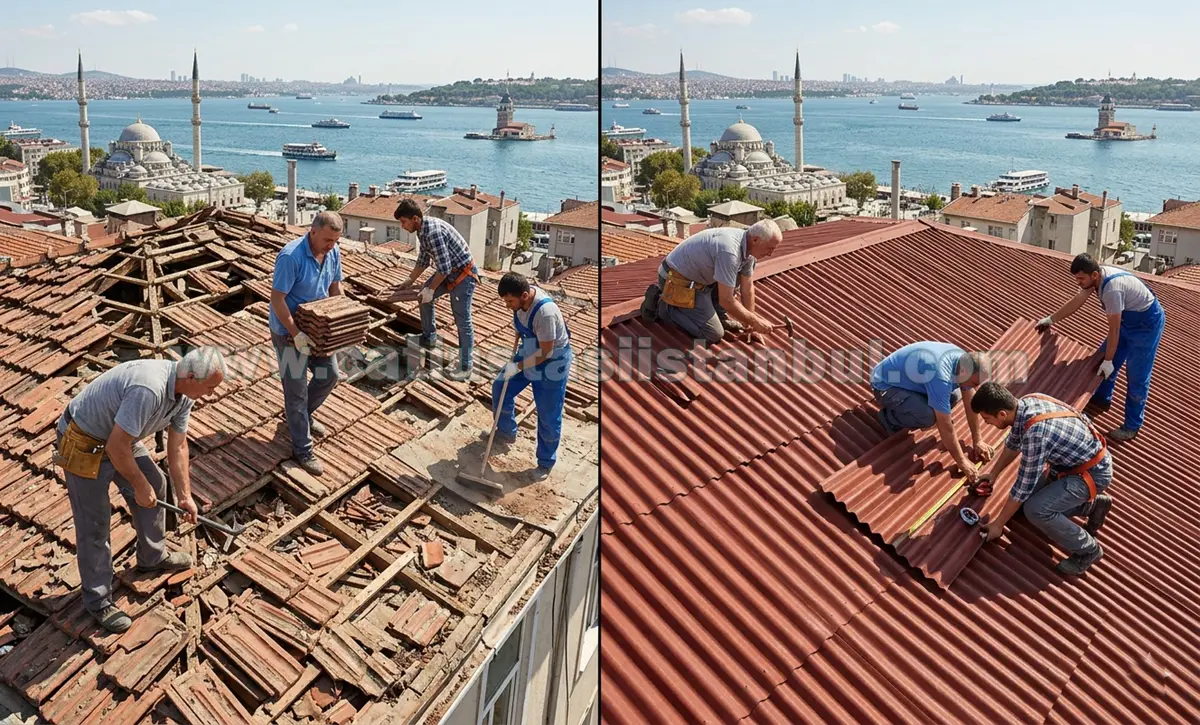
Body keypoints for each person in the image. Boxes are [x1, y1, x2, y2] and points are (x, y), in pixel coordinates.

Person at [54, 347, 225, 632]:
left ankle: (152, 557)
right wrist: (139, 485)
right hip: (84, 441)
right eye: (209, 387)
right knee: (95, 523)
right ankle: (98, 601)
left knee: (157, 484)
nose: (211, 393)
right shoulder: (148, 388)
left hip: (120, 438)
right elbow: (116, 447)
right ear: (191, 377)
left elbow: (178, 446)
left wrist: (185, 496)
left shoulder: (184, 395)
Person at [971, 382, 1114, 576]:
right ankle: (1093, 506)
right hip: (1071, 466)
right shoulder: (1026, 402)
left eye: (988, 419)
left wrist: (998, 524)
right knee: (1023, 505)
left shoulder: (1036, 433)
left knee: (1035, 510)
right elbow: (1013, 443)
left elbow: (1023, 486)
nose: (988, 424)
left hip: (1091, 474)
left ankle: (1088, 550)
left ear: (1002, 414)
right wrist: (993, 474)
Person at [1035, 253, 1166, 441]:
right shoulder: (1094, 279)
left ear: (1094, 275)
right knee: (1101, 360)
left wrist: (1109, 360)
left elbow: (1114, 330)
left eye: (1081, 279)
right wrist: (1051, 319)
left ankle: (1132, 426)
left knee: (1136, 375)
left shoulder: (1111, 289)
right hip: (1128, 322)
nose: (1078, 282)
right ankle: (1102, 399)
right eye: (1077, 278)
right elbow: (1077, 301)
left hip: (1146, 326)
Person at [269, 211, 344, 476]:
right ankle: (303, 449)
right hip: (287, 333)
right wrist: (296, 333)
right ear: (312, 232)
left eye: (335, 241)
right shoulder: (291, 257)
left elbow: (335, 288)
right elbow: (277, 299)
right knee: (296, 391)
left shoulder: (333, 252)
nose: (331, 245)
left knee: (329, 375)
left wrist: (340, 317)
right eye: (327, 240)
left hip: (318, 329)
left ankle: (301, 416)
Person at [640, 219, 782, 344]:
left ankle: (717, 315)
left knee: (737, 276)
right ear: (755, 240)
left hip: (702, 280)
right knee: (713, 334)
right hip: (676, 280)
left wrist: (750, 325)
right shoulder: (729, 252)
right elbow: (726, 300)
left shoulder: (748, 251)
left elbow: (747, 288)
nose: (771, 253)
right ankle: (663, 307)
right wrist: (755, 322)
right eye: (770, 248)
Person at [492, 273, 573, 481]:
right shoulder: (519, 304)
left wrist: (518, 366)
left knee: (548, 414)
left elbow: (545, 352)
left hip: (552, 360)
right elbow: (523, 326)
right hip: (530, 348)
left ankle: (545, 462)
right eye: (505, 301)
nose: (507, 306)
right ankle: (506, 432)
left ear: (525, 296)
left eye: (510, 302)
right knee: (500, 386)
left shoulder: (545, 313)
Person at [871, 342, 991, 482]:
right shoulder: (941, 375)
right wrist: (962, 461)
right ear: (964, 371)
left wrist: (978, 440)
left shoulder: (963, 362)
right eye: (975, 383)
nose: (975, 387)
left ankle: (914, 404)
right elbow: (945, 426)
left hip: (908, 380)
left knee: (954, 396)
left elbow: (970, 403)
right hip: (885, 386)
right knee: (929, 418)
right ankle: (889, 419)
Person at [388, 198, 478, 377]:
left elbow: (443, 269)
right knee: (423, 298)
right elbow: (423, 260)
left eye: (404, 222)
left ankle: (466, 366)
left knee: (462, 320)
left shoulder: (433, 232)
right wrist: (409, 281)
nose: (402, 226)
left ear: (415, 219)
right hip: (449, 272)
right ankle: (429, 338)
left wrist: (430, 290)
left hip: (463, 275)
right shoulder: (422, 231)